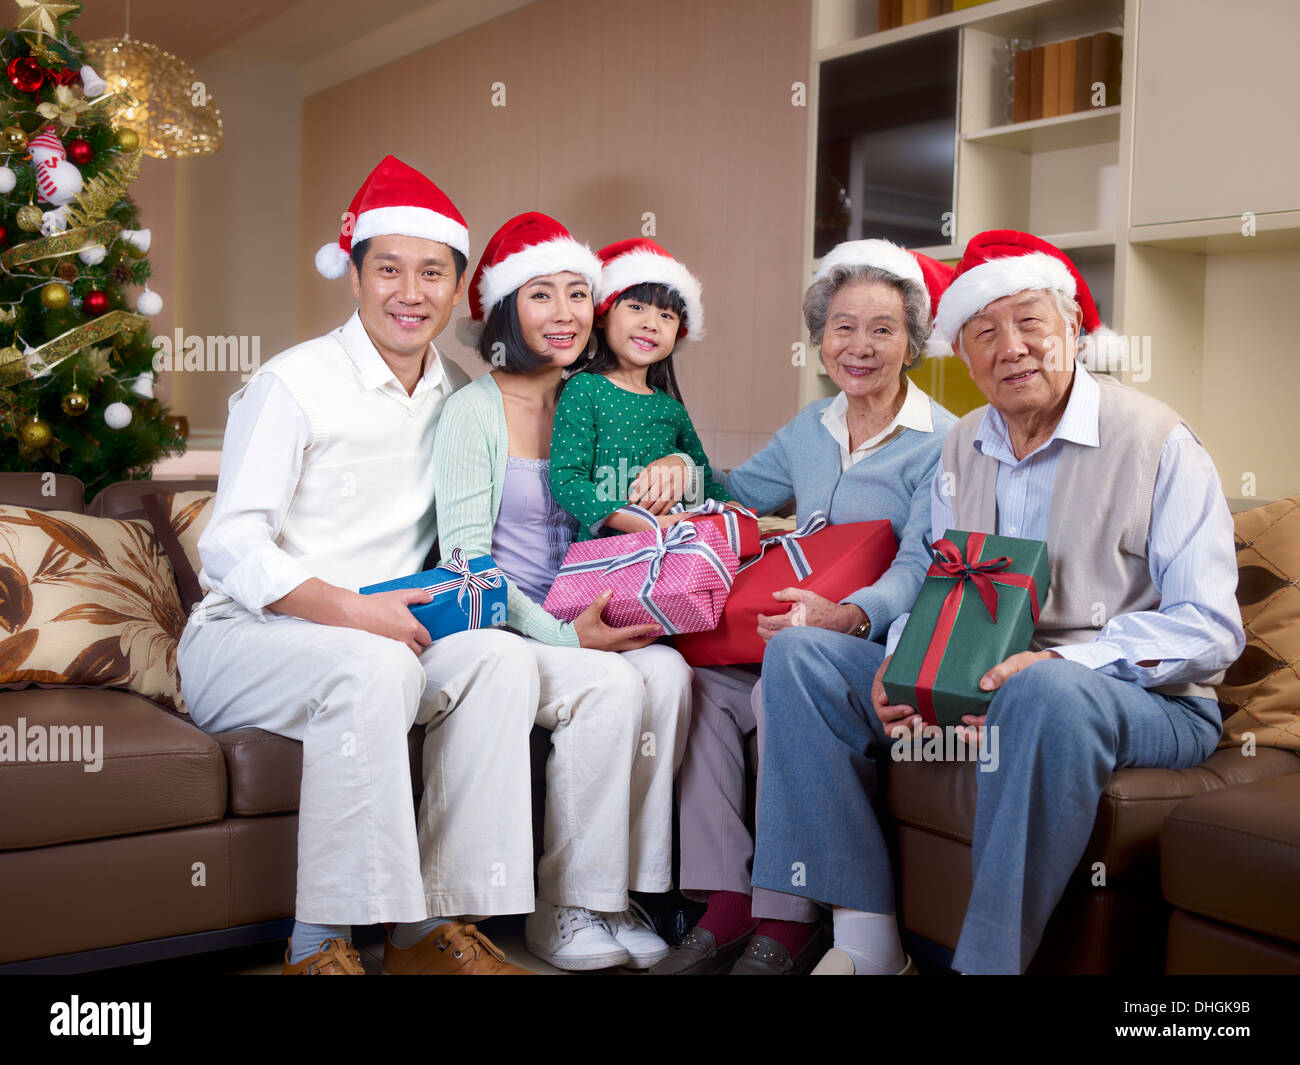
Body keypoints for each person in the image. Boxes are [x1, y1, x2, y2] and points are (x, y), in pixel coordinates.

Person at [752, 229, 1245, 975]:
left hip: (1146, 698)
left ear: (1075, 329)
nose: (1010, 347)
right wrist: (899, 663)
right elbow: (941, 581)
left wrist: (1055, 663)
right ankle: (866, 940)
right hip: (979, 679)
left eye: (1031, 323)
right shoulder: (961, 446)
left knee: (1044, 690)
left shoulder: (1156, 440)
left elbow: (1210, 628)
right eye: (984, 332)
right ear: (964, 355)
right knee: (800, 655)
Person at [177, 156, 537, 975]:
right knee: (371, 667)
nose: (410, 291)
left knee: (503, 660)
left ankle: (434, 926)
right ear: (355, 279)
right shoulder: (292, 382)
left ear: (455, 291)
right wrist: (352, 610)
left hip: (390, 630)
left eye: (432, 273)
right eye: (388, 269)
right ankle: (320, 941)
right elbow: (230, 545)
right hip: (248, 639)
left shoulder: (459, 393)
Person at [652, 240, 958, 975]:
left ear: (912, 341)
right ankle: (725, 901)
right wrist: (679, 465)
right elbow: (736, 494)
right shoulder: (810, 429)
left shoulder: (944, 441)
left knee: (783, 666)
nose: (860, 345)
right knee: (697, 683)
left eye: (882, 328)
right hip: (792, 635)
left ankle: (786, 919)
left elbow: (924, 566)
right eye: (843, 326)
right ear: (821, 339)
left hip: (872, 644)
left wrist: (845, 614)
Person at [431, 212, 693, 971]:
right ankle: (566, 905)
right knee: (610, 683)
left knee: (671, 675)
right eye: (541, 294)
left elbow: (678, 478)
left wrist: (676, 461)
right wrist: (559, 635)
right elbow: (464, 564)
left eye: (580, 293)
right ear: (508, 310)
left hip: (594, 614)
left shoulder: (600, 399)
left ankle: (622, 894)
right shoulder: (471, 412)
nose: (566, 312)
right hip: (506, 629)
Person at [549, 238, 729, 536]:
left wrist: (734, 510)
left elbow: (703, 483)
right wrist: (636, 521)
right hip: (603, 562)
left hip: (670, 555)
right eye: (636, 306)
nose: (651, 324)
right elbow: (567, 479)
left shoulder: (672, 410)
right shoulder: (585, 390)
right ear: (604, 315)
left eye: (666, 315)